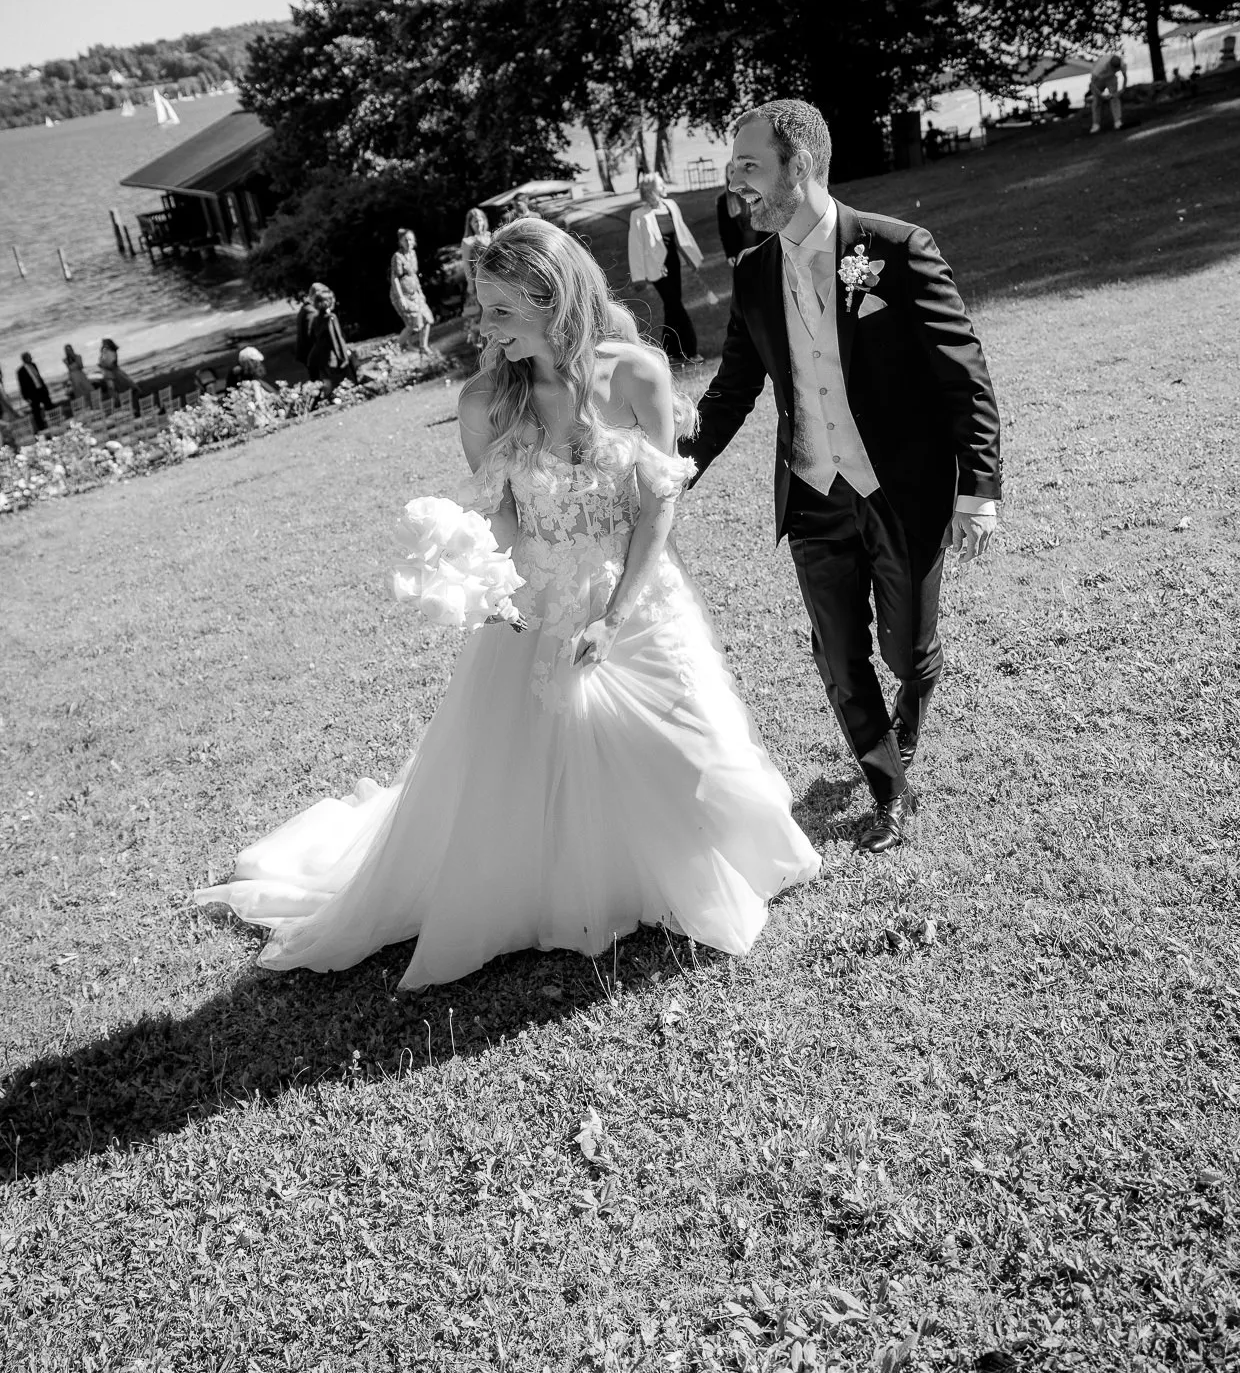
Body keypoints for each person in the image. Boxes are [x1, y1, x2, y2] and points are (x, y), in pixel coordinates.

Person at [195, 219, 818, 985]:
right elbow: (503, 520)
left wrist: (615, 614)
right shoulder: (485, 401)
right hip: (538, 601)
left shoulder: (637, 374)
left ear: (551, 298)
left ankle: (684, 869)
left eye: (499, 311)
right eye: (481, 309)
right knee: (529, 767)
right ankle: (568, 886)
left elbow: (658, 506)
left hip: (639, 593)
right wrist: (475, 573)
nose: (482, 329)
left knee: (683, 748)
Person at [680, 99, 1002, 856]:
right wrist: (675, 469)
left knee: (905, 653)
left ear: (803, 165)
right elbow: (731, 391)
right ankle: (889, 791)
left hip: (900, 489)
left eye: (751, 170)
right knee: (837, 654)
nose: (738, 190)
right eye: (732, 175)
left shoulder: (895, 248)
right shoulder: (754, 273)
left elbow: (965, 376)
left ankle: (914, 694)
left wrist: (978, 490)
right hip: (813, 495)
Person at [627, 172, 702, 361]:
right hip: (656, 268)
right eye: (661, 185)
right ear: (652, 190)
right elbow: (635, 246)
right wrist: (638, 276)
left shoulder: (671, 206)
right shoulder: (638, 215)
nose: (665, 188)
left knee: (672, 307)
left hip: (673, 263)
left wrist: (693, 258)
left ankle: (669, 352)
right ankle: (691, 351)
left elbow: (682, 233)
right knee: (675, 305)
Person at [390, 229, 434, 355]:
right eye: (405, 240)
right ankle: (397, 348)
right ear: (400, 242)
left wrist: (420, 292)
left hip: (415, 293)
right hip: (403, 295)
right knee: (413, 324)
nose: (408, 242)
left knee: (427, 319)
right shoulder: (397, 257)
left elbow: (414, 275)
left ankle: (423, 347)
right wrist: (401, 298)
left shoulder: (413, 254)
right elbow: (394, 278)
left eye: (410, 239)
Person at [307, 288, 359, 396]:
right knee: (345, 383)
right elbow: (336, 339)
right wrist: (344, 357)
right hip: (333, 358)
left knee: (329, 385)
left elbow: (313, 338)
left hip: (321, 358)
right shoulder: (331, 318)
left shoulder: (316, 319)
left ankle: (329, 401)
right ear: (328, 302)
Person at [716, 166, 760, 266]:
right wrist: (729, 253)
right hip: (739, 251)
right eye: (732, 172)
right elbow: (724, 231)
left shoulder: (757, 193)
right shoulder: (723, 201)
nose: (735, 175)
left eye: (738, 171)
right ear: (727, 176)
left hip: (760, 246)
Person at [459, 207, 491, 344]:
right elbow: (466, 264)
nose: (479, 224)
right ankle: (478, 337)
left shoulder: (490, 236)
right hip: (479, 280)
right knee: (481, 311)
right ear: (470, 225)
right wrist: (470, 284)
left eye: (480, 220)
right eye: (475, 222)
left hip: (494, 278)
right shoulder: (468, 242)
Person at [1089, 52, 1128, 133]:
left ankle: (1117, 121)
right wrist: (1101, 95)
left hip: (1111, 78)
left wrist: (1122, 89)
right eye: (1113, 68)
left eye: (1116, 69)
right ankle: (1096, 124)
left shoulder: (1122, 64)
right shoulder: (1100, 66)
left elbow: (1125, 77)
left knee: (1115, 98)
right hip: (1098, 80)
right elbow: (1092, 83)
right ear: (1109, 64)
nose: (1115, 70)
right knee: (1096, 101)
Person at [17, 353, 54, 433]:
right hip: (32, 394)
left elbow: (38, 377)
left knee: (49, 405)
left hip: (41, 389)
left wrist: (45, 388)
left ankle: (54, 421)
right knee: (36, 411)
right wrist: (26, 397)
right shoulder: (21, 371)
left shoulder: (33, 365)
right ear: (25, 359)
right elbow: (22, 385)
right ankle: (41, 428)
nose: (31, 358)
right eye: (29, 357)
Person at [295, 284, 326, 370]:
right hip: (310, 352)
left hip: (306, 352)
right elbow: (312, 334)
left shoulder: (303, 310)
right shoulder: (310, 311)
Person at [97, 339, 137, 404]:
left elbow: (111, 365)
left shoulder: (109, 352)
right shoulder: (107, 352)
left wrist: (102, 365)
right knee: (116, 389)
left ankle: (121, 402)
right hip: (109, 374)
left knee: (118, 388)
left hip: (112, 374)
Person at [63, 345, 96, 409]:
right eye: (67, 350)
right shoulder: (66, 360)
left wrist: (74, 358)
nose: (69, 351)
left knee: (87, 389)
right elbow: (69, 369)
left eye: (70, 349)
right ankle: (85, 407)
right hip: (74, 378)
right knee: (79, 393)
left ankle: (93, 405)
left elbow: (81, 366)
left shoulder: (78, 357)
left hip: (80, 375)